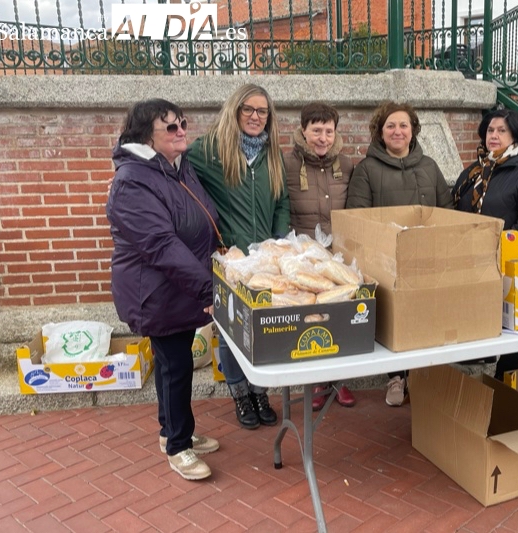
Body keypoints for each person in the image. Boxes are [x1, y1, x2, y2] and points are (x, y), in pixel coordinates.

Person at [107, 99, 220, 481]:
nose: (181, 131)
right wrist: (209, 291)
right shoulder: (132, 181)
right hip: (156, 291)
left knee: (175, 362)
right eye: (170, 127)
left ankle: (170, 431)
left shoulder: (176, 167)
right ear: (146, 137)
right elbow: (160, 245)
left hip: (179, 288)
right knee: (175, 365)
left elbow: (201, 216)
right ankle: (178, 446)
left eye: (182, 123)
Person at [189, 84, 290, 430]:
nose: (255, 116)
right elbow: (175, 174)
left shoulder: (271, 155)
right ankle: (240, 394)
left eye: (262, 111)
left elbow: (282, 201)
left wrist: (276, 242)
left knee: (262, 330)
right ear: (235, 110)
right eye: (248, 109)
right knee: (232, 332)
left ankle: (260, 391)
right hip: (228, 259)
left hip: (263, 262)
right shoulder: (210, 150)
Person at [346, 100, 454, 407]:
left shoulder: (429, 166)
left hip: (427, 257)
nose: (397, 131)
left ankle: (423, 377)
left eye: (403, 125)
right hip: (387, 261)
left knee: (427, 318)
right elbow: (357, 218)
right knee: (394, 321)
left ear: (413, 130)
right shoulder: (366, 170)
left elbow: (445, 211)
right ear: (380, 132)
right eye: (390, 125)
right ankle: (395, 377)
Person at [452, 108, 518, 380]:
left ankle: (505, 382)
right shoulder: (477, 170)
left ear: (515, 135)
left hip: (504, 262)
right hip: (470, 259)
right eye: (490, 130)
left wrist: (496, 248)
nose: (493, 136)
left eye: (501, 131)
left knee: (508, 328)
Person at [283, 102, 356, 411]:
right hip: (304, 257)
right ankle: (313, 381)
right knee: (309, 320)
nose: (323, 138)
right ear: (303, 131)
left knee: (340, 317)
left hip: (338, 257)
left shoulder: (347, 165)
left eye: (328, 131)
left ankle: (339, 379)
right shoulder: (286, 164)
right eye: (316, 131)